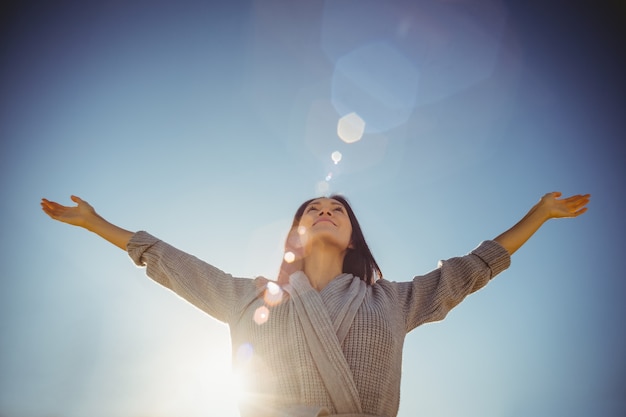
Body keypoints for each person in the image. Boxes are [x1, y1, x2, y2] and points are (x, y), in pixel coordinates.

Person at [41, 192, 589, 417]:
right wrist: (94, 223)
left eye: (337, 210)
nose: (324, 211)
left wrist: (539, 214)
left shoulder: (394, 301)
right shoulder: (249, 297)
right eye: (312, 210)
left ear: (352, 237)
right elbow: (171, 262)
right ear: (296, 235)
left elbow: (470, 270)